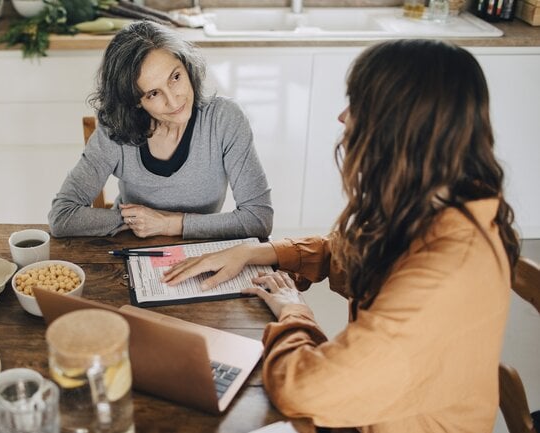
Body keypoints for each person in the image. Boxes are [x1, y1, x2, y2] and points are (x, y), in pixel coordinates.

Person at [163, 39, 520, 432]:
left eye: (356, 104)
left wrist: (292, 312)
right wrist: (256, 252)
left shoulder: (445, 274)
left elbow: (301, 389)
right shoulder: (443, 203)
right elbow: (356, 255)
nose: (342, 117)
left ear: (398, 126)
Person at [48, 21, 273, 239]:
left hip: (199, 248)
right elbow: (62, 216)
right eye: (153, 93)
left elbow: (259, 218)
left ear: (187, 66)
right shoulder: (116, 130)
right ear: (136, 101)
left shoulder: (225, 119)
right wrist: (140, 221)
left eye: (175, 77)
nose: (173, 100)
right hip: (132, 246)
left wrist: (167, 224)